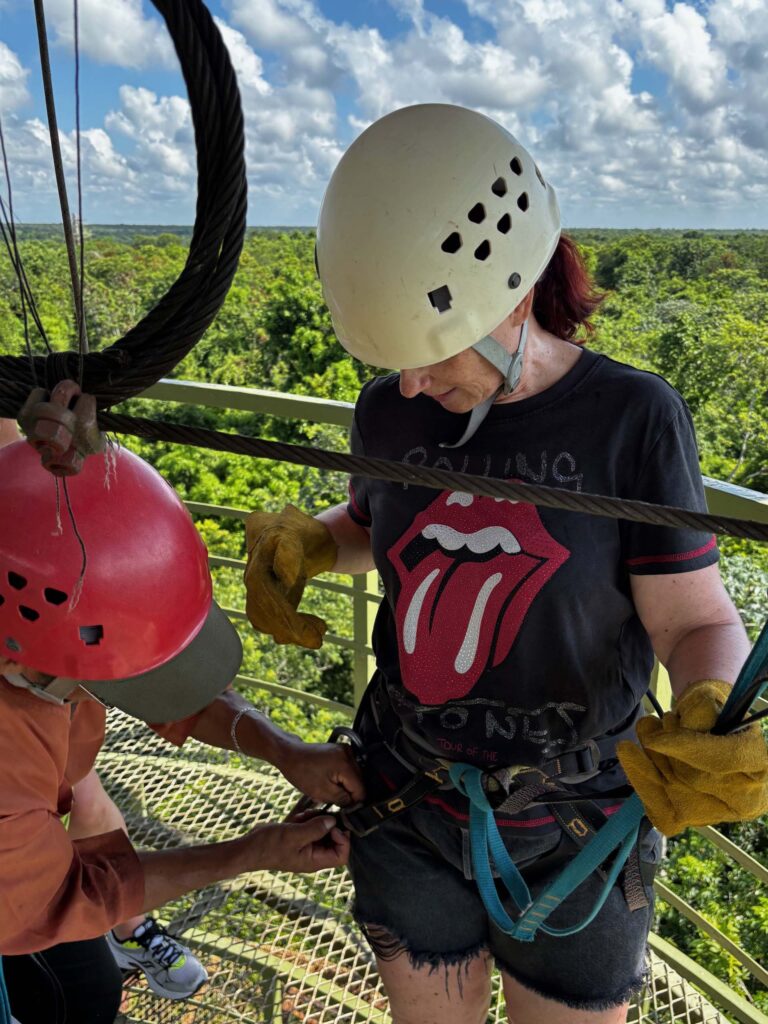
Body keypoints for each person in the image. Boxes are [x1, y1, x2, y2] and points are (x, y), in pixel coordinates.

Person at [243, 104, 768, 1024]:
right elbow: (385, 521)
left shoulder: (632, 421)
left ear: (512, 299)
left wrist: (710, 707)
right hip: (407, 797)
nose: (410, 385)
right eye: (393, 362)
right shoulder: (393, 411)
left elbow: (692, 620)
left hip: (576, 825)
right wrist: (318, 542)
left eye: (428, 355)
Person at [0, 437, 362, 1024]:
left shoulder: (43, 624)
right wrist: (255, 851)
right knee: (76, 1002)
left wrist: (283, 750)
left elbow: (168, 690)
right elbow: (58, 899)